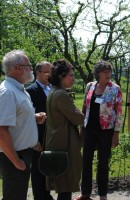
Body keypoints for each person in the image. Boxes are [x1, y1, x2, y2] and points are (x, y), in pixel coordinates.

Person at [0, 50, 47, 200]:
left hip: (24, 153)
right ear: (18, 68)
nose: (31, 68)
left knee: (19, 195)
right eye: (29, 65)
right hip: (13, 156)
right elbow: (1, 131)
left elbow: (15, 117)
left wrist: (32, 117)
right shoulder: (7, 92)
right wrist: (16, 161)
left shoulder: (19, 89)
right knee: (14, 196)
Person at [73, 60, 122, 200]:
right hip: (89, 129)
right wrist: (82, 127)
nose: (108, 74)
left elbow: (118, 113)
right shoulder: (90, 86)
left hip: (106, 131)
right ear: (97, 73)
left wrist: (116, 134)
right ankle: (85, 193)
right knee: (86, 161)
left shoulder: (115, 88)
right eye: (105, 71)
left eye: (109, 71)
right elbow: (84, 107)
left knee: (103, 163)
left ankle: (102, 195)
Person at [45, 59, 84, 200]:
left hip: (56, 141)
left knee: (62, 186)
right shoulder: (61, 95)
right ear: (61, 76)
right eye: (71, 75)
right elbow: (78, 118)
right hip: (64, 144)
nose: (74, 78)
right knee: (65, 187)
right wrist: (79, 111)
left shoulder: (53, 91)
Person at [26, 61, 54, 200]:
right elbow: (28, 118)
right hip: (38, 137)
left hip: (51, 136)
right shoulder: (30, 91)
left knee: (48, 167)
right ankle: (39, 197)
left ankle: (47, 195)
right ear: (38, 73)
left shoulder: (53, 89)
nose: (50, 74)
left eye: (51, 71)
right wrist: (34, 139)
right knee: (37, 170)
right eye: (47, 71)